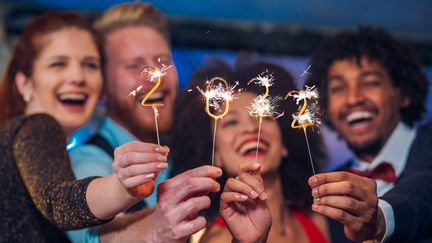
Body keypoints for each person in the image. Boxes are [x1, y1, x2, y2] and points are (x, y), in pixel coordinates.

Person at [0, 12, 168, 242]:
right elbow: (58, 202)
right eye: (58, 64)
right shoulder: (36, 126)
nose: (77, 77)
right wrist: (123, 187)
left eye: (90, 65)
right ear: (25, 82)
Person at [67, 3, 222, 243]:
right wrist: (155, 228)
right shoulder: (87, 163)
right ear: (102, 85)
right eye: (134, 65)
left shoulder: (185, 152)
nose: (154, 77)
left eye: (162, 61)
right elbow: (94, 237)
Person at [171, 58, 350, 242]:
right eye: (232, 122)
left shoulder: (322, 221)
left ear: (284, 144)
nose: (251, 128)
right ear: (216, 155)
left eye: (264, 117)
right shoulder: (217, 239)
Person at [305, 26, 432, 242]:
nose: (353, 98)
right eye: (337, 88)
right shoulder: (325, 191)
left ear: (403, 94)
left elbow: (424, 190)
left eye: (370, 82)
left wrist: (380, 217)